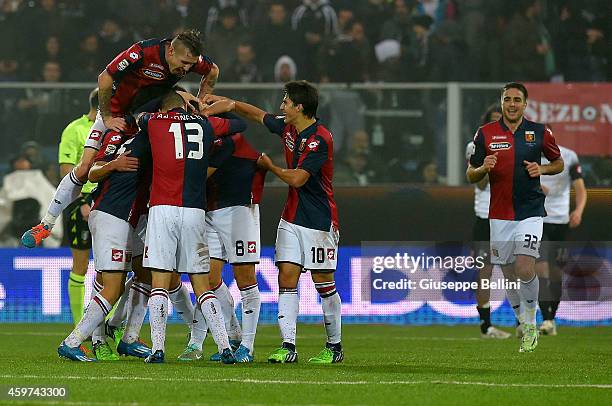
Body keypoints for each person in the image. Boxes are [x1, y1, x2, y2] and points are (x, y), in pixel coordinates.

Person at [22, 29, 220, 248]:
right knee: (86, 166)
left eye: (191, 65)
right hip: (116, 114)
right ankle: (46, 224)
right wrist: (107, 115)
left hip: (146, 115)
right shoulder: (142, 53)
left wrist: (202, 101)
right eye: (184, 63)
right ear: (171, 51)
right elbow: (104, 78)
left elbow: (213, 71)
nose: (187, 69)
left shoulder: (191, 61)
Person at [202, 80, 343, 364]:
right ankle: (288, 346)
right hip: (291, 217)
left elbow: (298, 179)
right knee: (286, 279)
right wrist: (228, 103)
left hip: (319, 221)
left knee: (322, 282)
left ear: (299, 107)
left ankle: (334, 347)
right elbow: (256, 115)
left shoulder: (320, 139)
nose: (281, 107)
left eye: (286, 102)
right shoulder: (289, 127)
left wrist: (271, 166)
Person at [140, 91, 246, 364]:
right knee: (202, 283)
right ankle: (224, 348)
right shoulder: (205, 124)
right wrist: (203, 108)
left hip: (162, 208)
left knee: (160, 283)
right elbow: (239, 125)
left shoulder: (154, 121)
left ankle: (158, 349)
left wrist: (177, 94)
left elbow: (138, 108)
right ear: (186, 106)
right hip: (195, 211)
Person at [466, 82, 563, 353]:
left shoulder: (540, 132)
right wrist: (483, 168)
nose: (511, 104)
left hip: (530, 212)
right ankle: (521, 320)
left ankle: (531, 323)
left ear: (525, 104)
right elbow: (470, 174)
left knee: (524, 268)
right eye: (507, 99)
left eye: (517, 100)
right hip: (498, 215)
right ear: (502, 102)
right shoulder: (484, 134)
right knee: (509, 274)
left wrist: (541, 168)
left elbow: (559, 163)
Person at [57, 119, 153, 362]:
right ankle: (75, 341)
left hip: (131, 216)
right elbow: (92, 171)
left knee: (147, 272)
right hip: (113, 215)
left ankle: (127, 336)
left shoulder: (136, 135)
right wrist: (114, 164)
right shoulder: (120, 135)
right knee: (111, 285)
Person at [178, 130, 266, 363]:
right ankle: (200, 343)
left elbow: (260, 160)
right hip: (209, 209)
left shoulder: (236, 138)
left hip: (239, 210)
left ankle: (247, 346)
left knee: (245, 278)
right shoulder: (197, 134)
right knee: (206, 279)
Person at [465, 104, 511, 339]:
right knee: (485, 272)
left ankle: (525, 321)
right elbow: (479, 183)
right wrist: (487, 164)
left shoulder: (517, 144)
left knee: (516, 269)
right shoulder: (476, 146)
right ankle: (486, 326)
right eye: (492, 121)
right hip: (485, 217)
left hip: (510, 216)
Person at [537, 143, 587, 336]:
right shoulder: (527, 154)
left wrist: (578, 211)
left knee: (557, 272)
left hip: (560, 221)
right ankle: (546, 319)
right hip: (537, 220)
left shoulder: (569, 156)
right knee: (540, 267)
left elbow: (580, 188)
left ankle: (551, 318)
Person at [58, 88, 98, 328]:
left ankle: (106, 326)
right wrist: (82, 201)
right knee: (81, 265)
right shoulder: (74, 130)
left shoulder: (115, 129)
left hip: (108, 201)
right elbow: (66, 171)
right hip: (80, 202)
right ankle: (78, 325)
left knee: (110, 268)